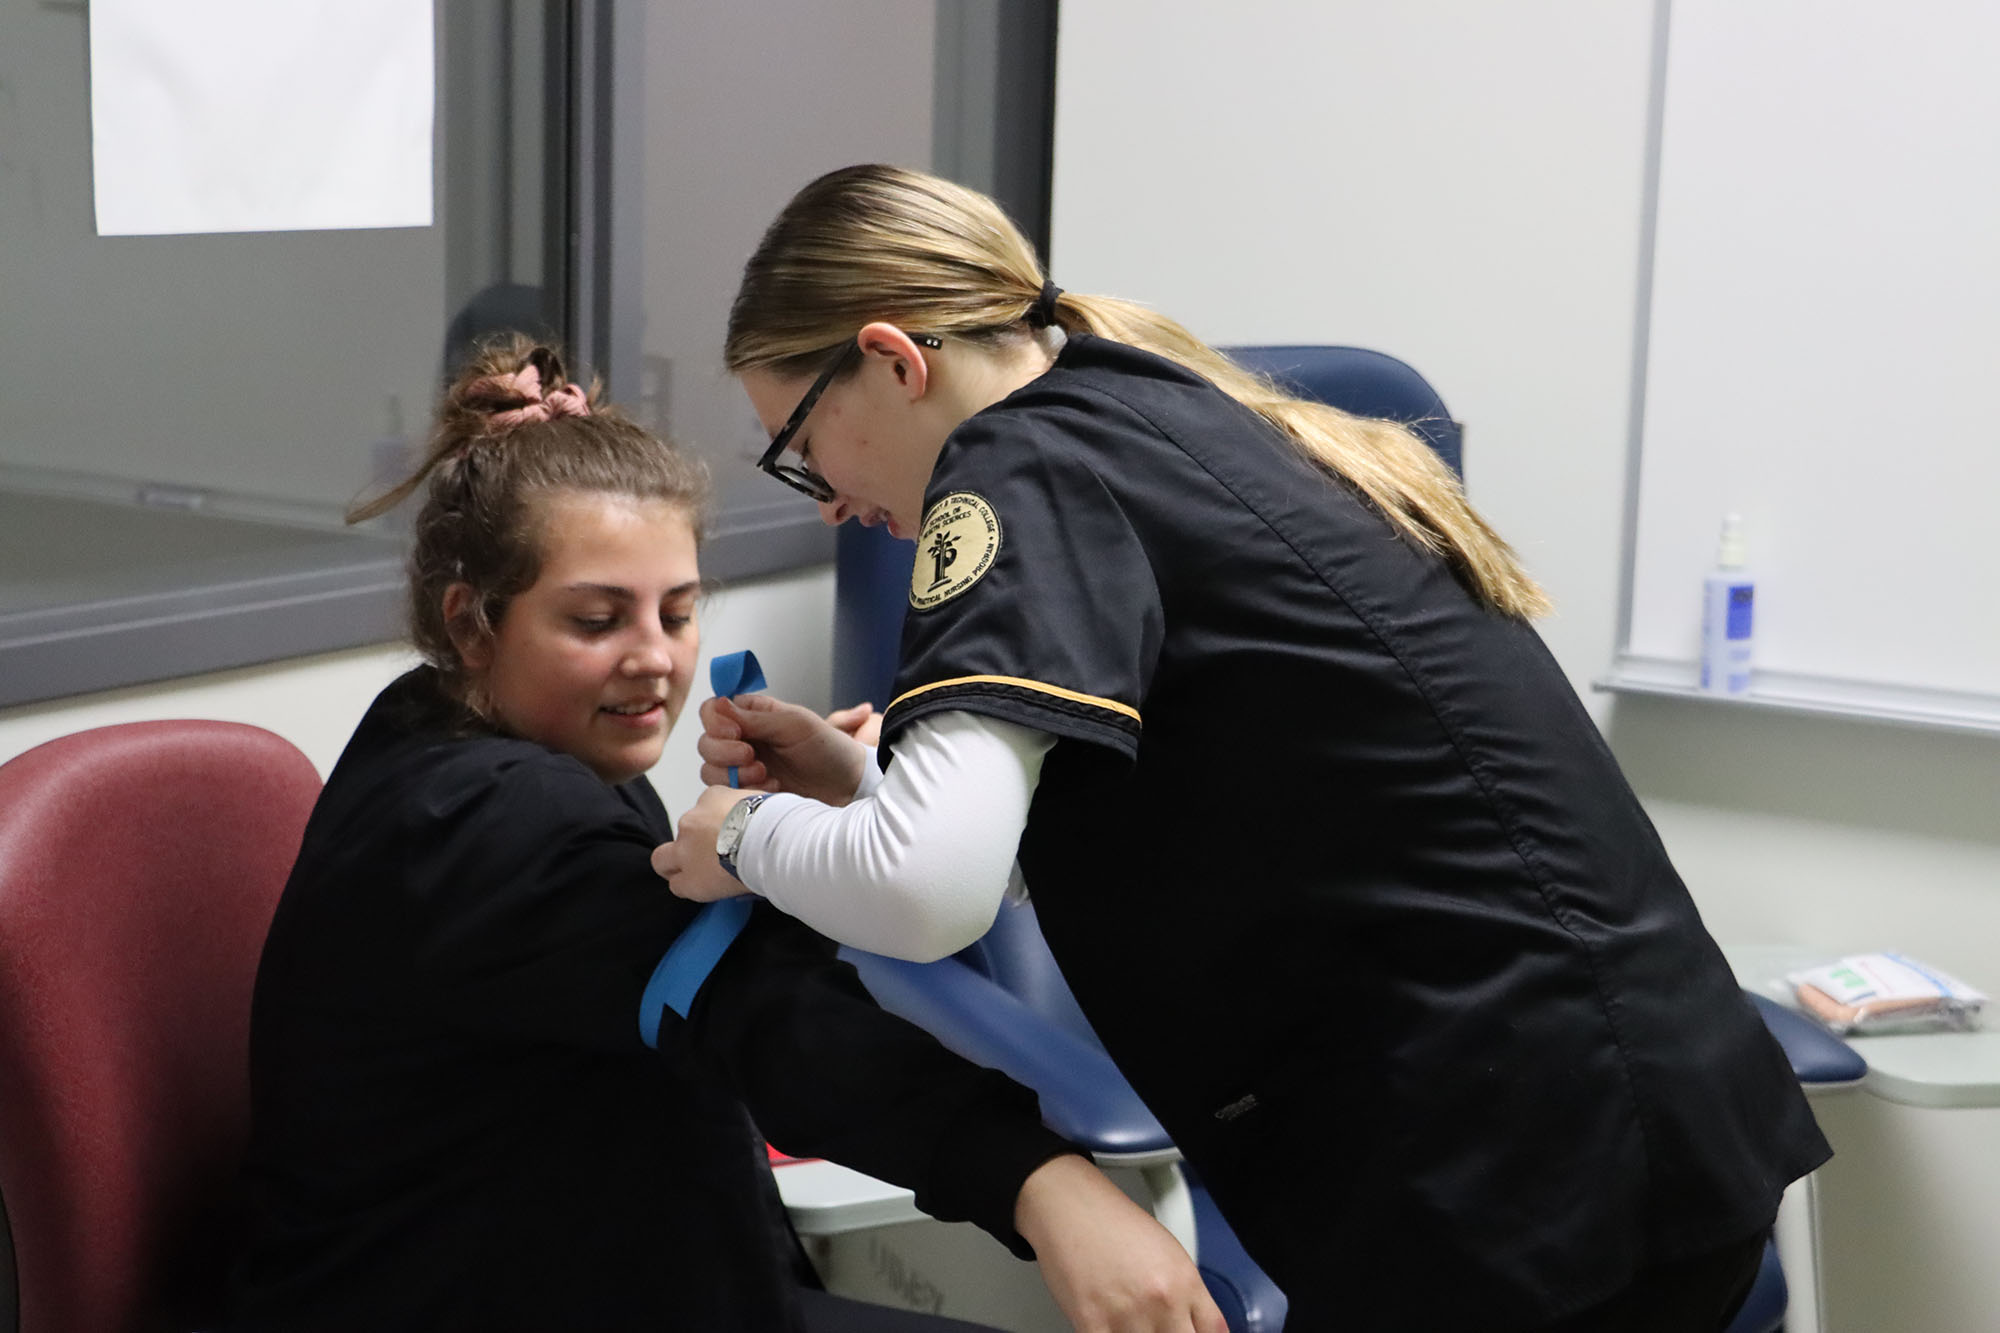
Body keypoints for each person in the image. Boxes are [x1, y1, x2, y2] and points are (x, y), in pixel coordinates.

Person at [650, 165, 1834, 1332]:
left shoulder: (1019, 470)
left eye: (800, 447)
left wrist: (740, 836)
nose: (821, 503)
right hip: (1628, 1128)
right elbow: (1191, 812)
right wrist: (863, 784)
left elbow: (924, 893)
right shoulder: (1158, 411)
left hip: (1508, 1184)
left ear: (894, 361)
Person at [223, 336, 1225, 1333]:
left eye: (678, 610)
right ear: (474, 622)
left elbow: (673, 972)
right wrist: (1036, 1179)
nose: (654, 660)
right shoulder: (483, 827)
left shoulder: (455, 729)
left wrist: (811, 842)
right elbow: (753, 1006)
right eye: (595, 620)